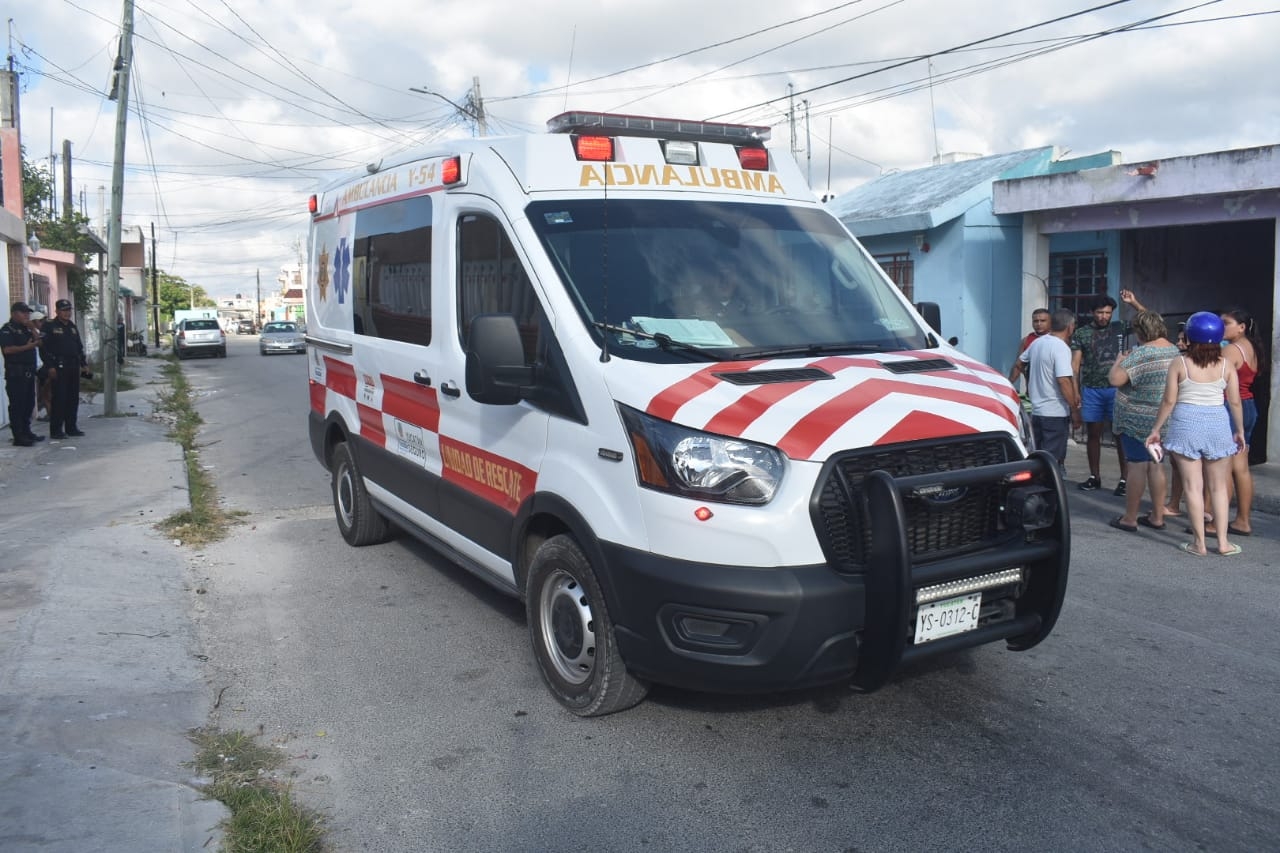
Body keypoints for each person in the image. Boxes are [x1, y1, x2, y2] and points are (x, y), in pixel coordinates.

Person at [1146, 311, 1245, 557]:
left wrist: (1156, 429)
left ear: (1189, 337)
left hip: (1185, 424)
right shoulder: (1226, 365)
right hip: (1217, 425)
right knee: (1219, 487)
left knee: (1192, 486)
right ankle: (1223, 543)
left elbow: (1169, 400)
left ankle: (1199, 544)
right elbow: (1234, 402)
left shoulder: (1180, 363)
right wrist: (1240, 431)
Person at [1107, 311, 1179, 532]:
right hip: (1163, 419)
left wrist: (1119, 362)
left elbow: (1115, 379)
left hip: (1137, 418)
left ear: (1141, 331)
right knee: (1157, 466)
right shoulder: (1173, 350)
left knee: (1137, 466)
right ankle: (1157, 516)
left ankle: (1130, 518)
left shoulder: (1142, 353)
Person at [1072, 289, 1146, 495]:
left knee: (1120, 435)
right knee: (1093, 434)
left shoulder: (1120, 327)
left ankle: (1124, 480)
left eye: (1107, 312)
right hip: (1092, 390)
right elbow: (1075, 365)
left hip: (1117, 390)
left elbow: (1149, 321)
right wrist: (1076, 391)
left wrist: (1134, 302)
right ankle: (1094, 476)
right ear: (1092, 313)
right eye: (1099, 312)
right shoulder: (1082, 333)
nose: (1103, 316)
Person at [1206, 306, 1265, 538]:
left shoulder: (1231, 350)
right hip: (1247, 405)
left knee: (1224, 470)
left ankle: (1216, 524)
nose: (1222, 327)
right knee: (1241, 468)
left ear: (1241, 327)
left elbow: (1211, 376)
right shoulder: (1251, 347)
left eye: (1226, 323)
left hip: (1232, 408)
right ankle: (1242, 520)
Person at [1018, 308, 1081, 466]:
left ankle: (1038, 487)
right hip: (1055, 413)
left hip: (1038, 411)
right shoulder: (1061, 348)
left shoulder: (1038, 343)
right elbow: (1063, 381)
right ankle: (1049, 488)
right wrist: (1074, 410)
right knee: (1052, 460)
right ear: (1070, 327)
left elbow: (1019, 363)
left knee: (1038, 456)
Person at [40, 298, 90, 439]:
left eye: (69, 310)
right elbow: (43, 349)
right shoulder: (49, 326)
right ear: (57, 311)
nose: (67, 313)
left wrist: (84, 364)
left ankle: (71, 427)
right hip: (58, 366)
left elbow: (79, 348)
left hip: (73, 365)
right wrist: (50, 366)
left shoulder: (72, 327)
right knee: (59, 398)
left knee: (72, 398)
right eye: (64, 310)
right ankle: (56, 430)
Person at [1, 302, 47, 447]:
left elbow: (39, 343)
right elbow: (7, 350)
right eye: (23, 312)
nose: (27, 315)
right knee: (18, 405)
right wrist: (28, 346)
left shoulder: (26, 329)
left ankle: (27, 431)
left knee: (29, 404)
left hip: (28, 372)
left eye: (28, 313)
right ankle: (18, 436)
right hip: (16, 373)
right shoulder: (7, 330)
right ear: (14, 313)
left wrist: (33, 329)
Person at [1008, 307, 1051, 391]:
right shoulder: (1026, 340)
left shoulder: (1057, 339)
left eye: (1043, 321)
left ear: (1050, 322)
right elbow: (1018, 366)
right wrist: (1008, 384)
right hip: (1032, 391)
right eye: (1035, 321)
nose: (1039, 324)